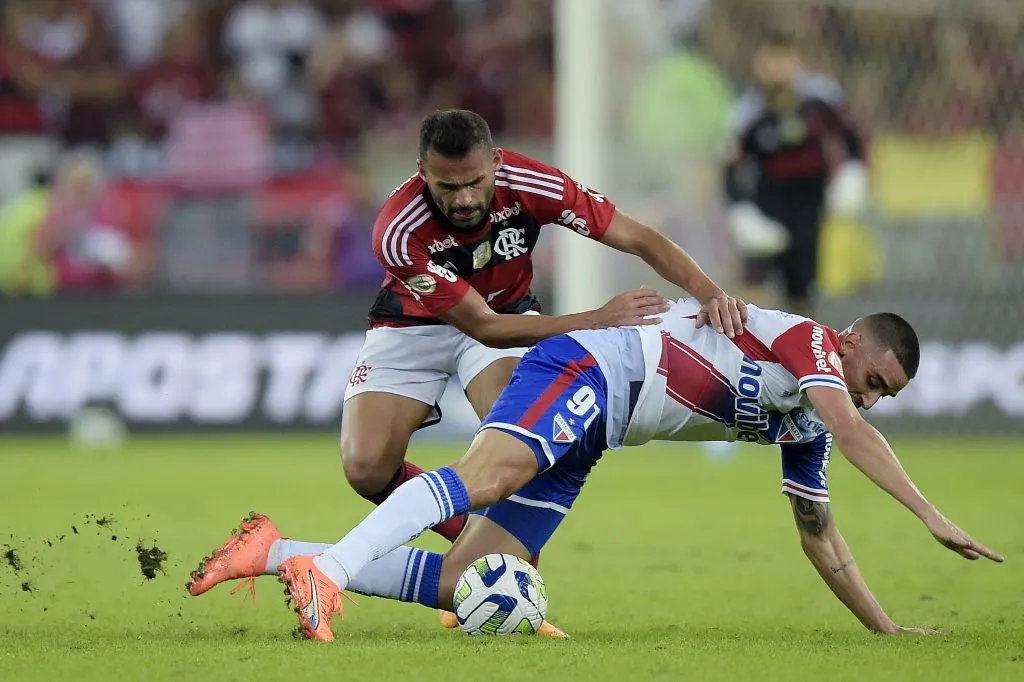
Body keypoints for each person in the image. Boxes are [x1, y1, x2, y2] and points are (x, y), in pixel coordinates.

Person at [183, 109, 746, 636]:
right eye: (448, 186)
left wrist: (711, 293)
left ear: (496, 163)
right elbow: (479, 326)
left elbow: (640, 237)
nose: (464, 198)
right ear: (422, 172)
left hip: (509, 313)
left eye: (475, 182)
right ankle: (487, 561)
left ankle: (481, 569)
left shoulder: (534, 184)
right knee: (364, 467)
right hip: (419, 325)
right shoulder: (398, 229)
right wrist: (598, 320)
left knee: (519, 454)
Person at [209, 299, 998, 641]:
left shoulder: (806, 425)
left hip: (605, 428)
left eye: (885, 395)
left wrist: (886, 628)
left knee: (468, 577)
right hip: (590, 367)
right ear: (855, 342)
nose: (873, 398)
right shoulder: (811, 346)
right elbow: (852, 427)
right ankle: (336, 573)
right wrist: (929, 514)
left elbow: (821, 539)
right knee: (484, 476)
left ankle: (277, 553)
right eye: (877, 381)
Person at [724, 30, 868, 317]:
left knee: (803, 296)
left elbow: (852, 138)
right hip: (767, 209)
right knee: (754, 297)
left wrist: (853, 174)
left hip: (809, 210)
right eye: (770, 60)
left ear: (797, 61)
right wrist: (742, 212)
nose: (777, 69)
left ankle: (800, 357)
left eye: (783, 59)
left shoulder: (819, 102)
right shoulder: (747, 113)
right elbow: (731, 168)